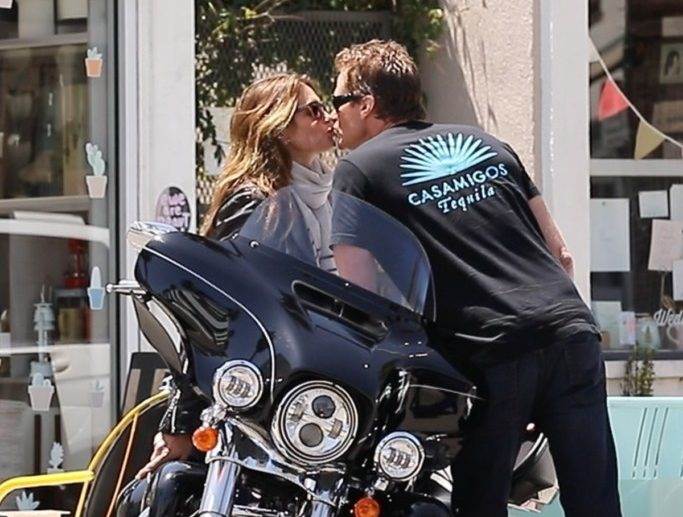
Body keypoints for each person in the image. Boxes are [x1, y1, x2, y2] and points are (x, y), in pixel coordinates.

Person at [331, 40, 621, 516]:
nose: (334, 114)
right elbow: (561, 255)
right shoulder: (487, 143)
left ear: (366, 104)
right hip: (570, 331)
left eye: (339, 100)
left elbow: (360, 297)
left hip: (487, 349)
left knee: (480, 505)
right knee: (596, 503)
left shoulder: (358, 170)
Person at [135, 72, 336, 481]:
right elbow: (212, 312)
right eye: (313, 110)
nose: (327, 116)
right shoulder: (257, 203)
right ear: (279, 128)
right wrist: (182, 419)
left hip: (306, 390)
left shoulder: (322, 197)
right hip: (257, 396)